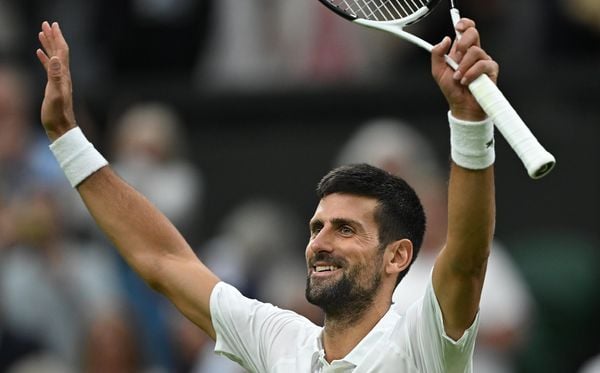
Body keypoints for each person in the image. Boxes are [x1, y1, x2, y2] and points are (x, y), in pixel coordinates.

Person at [36, 18, 498, 372]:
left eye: (346, 229)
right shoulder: (280, 340)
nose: (320, 242)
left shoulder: (423, 341)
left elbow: (467, 258)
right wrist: (67, 137)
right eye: (317, 227)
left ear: (396, 256)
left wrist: (470, 122)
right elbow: (163, 260)